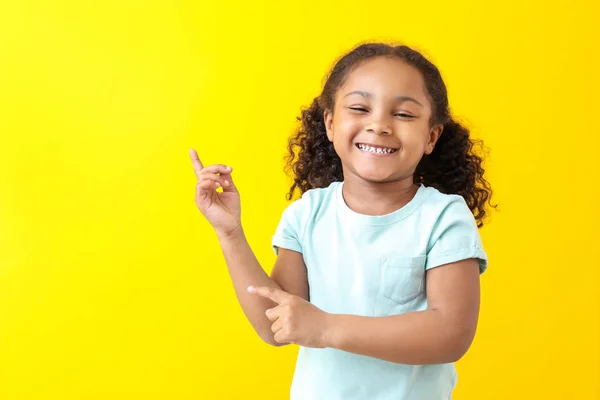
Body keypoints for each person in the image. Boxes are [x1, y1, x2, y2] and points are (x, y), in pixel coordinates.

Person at [189, 42, 494, 400]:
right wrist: (230, 233)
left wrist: (326, 328)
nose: (379, 125)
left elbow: (451, 333)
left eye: (404, 115)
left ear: (431, 136)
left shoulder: (442, 217)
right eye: (360, 108)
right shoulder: (307, 216)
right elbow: (277, 325)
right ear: (331, 124)